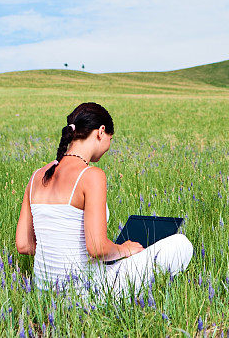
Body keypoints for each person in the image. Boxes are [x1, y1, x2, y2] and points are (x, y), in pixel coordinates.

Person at [15, 102, 193, 303]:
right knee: (181, 244)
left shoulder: (36, 176)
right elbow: (97, 249)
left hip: (44, 293)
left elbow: (24, 245)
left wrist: (62, 251)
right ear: (101, 132)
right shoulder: (90, 175)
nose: (109, 145)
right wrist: (125, 249)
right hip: (87, 293)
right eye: (110, 138)